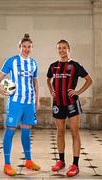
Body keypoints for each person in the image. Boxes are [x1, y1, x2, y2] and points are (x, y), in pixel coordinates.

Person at [0, 33, 41, 176]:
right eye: (24, 46)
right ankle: (7, 164)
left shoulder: (34, 63)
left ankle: (28, 160)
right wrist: (1, 90)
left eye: (29, 47)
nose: (26, 49)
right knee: (10, 130)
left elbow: (35, 82)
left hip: (29, 103)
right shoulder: (11, 61)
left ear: (32, 48)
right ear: (19, 47)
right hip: (15, 103)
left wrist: (37, 99)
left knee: (26, 132)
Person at [47, 39, 92, 177]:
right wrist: (51, 91)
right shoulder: (53, 66)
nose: (61, 50)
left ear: (68, 49)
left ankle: (75, 164)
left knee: (74, 133)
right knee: (60, 132)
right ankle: (61, 161)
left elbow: (89, 80)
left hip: (72, 103)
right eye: (59, 48)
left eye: (64, 47)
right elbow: (48, 79)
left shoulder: (75, 65)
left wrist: (78, 92)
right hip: (58, 103)